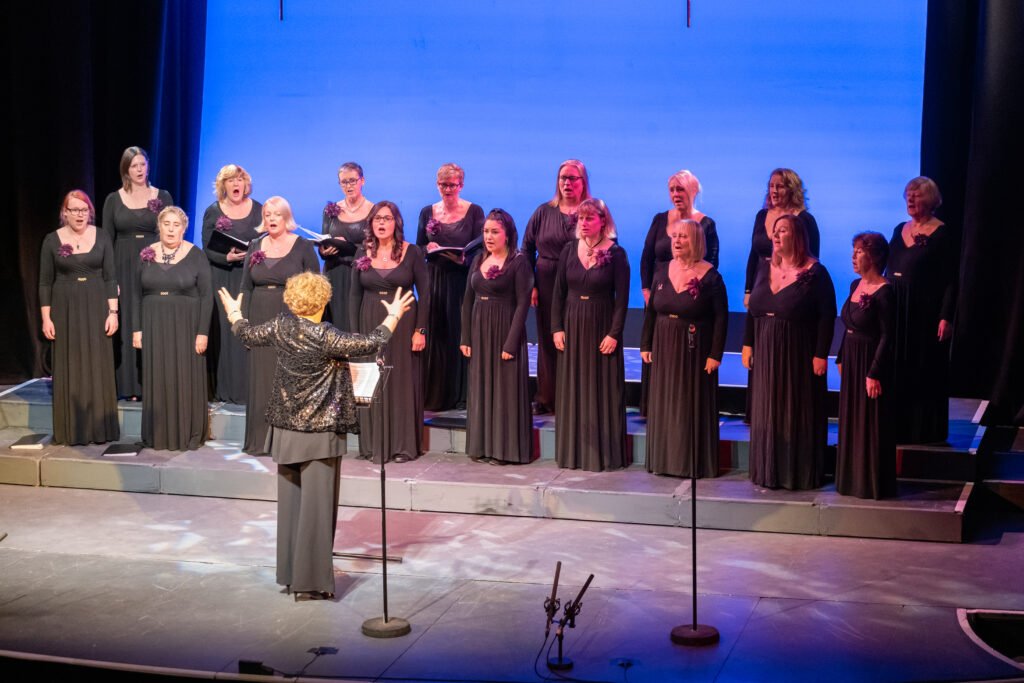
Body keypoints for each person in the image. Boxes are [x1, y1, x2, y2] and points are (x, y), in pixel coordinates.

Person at [219, 272, 415, 600]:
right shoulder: (325, 335)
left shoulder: (281, 326)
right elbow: (371, 342)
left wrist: (234, 313)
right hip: (319, 433)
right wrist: (394, 314)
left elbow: (248, 335)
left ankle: (291, 575)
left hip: (285, 430)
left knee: (292, 506)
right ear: (323, 301)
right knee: (317, 510)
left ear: (292, 299)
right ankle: (310, 583)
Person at [742, 214, 835, 490]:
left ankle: (797, 472)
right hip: (766, 350)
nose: (776, 236)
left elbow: (827, 316)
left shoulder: (815, 273)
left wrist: (820, 353)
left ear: (797, 237)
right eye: (774, 231)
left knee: (795, 409)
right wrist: (748, 344)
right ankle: (768, 469)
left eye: (782, 231)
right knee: (768, 409)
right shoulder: (764, 269)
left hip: (798, 352)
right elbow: (753, 311)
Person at [641, 219, 727, 477]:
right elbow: (652, 312)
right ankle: (664, 460)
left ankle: (691, 461)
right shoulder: (662, 271)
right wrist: (645, 343)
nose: (677, 242)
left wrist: (715, 354)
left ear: (697, 241)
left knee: (690, 402)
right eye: (674, 236)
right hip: (664, 343)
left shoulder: (710, 276)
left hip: (695, 347)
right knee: (665, 400)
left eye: (683, 237)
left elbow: (721, 317)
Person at [551, 198, 630, 471]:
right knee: (573, 386)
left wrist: (614, 333)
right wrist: (556, 327)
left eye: (589, 219)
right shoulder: (569, 249)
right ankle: (574, 452)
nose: (583, 224)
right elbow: (558, 292)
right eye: (581, 219)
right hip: (572, 324)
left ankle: (603, 455)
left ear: (603, 222)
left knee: (601, 388)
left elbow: (621, 301)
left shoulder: (616, 254)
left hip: (601, 324)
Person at [349, 201, 429, 463]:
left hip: (404, 322)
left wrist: (420, 330)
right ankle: (373, 445)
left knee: (402, 383)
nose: (382, 223)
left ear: (397, 223)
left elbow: (425, 294)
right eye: (377, 219)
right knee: (371, 382)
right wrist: (354, 336)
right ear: (371, 223)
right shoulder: (362, 252)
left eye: (387, 218)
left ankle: (402, 446)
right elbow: (353, 295)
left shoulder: (412, 252)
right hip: (369, 319)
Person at [239, 197, 320, 455]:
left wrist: (309, 327)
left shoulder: (303, 246)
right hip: (260, 316)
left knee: (288, 379)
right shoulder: (255, 246)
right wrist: (244, 324)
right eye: (267, 214)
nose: (272, 218)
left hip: (291, 319)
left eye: (277, 214)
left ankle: (289, 442)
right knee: (262, 378)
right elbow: (245, 287)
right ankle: (260, 440)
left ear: (286, 218)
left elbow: (316, 289)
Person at [39, 190, 120, 445]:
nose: (79, 215)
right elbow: (44, 283)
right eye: (74, 210)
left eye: (84, 210)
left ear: (90, 211)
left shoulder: (102, 235)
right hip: (65, 308)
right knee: (70, 364)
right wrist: (46, 318)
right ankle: (71, 430)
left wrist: (113, 312)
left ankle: (100, 430)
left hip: (97, 305)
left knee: (98, 364)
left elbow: (111, 278)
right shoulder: (52, 240)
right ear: (65, 213)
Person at [639, 169, 719, 415]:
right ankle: (654, 407)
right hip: (660, 292)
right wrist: (646, 288)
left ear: (693, 191)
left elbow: (713, 261)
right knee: (654, 348)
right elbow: (647, 256)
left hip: (689, 296)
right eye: (672, 190)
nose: (675, 194)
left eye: (680, 189)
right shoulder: (660, 219)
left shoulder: (705, 223)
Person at [132, 206, 212, 451]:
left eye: (176, 224)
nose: (170, 229)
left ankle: (187, 432)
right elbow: (136, 295)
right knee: (158, 375)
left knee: (184, 376)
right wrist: (137, 329)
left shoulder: (196, 254)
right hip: (154, 324)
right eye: (166, 223)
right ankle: (158, 434)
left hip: (186, 325)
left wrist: (202, 332)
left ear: (184, 228)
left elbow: (207, 296)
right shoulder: (146, 254)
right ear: (159, 226)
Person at [460, 209, 534, 465]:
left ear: (507, 234)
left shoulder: (518, 262)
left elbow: (523, 303)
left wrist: (511, 342)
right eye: (486, 232)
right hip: (480, 331)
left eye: (494, 232)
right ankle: (483, 446)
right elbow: (467, 300)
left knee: (504, 391)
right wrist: (465, 337)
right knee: (482, 387)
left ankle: (506, 450)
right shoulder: (478, 259)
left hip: (504, 330)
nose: (489, 237)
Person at [886, 177, 956, 444]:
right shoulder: (898, 229)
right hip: (897, 305)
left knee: (923, 367)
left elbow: (950, 279)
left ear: (931, 200)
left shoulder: (942, 233)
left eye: (916, 195)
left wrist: (946, 316)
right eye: (908, 195)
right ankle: (898, 425)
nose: (911, 200)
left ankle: (924, 430)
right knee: (898, 366)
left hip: (925, 310)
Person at [102, 146, 173, 399]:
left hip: (153, 263)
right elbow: (106, 242)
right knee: (128, 319)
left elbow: (171, 233)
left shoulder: (161, 195)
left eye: (143, 164)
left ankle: (152, 383)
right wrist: (110, 279)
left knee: (151, 317)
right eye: (134, 166)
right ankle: (128, 386)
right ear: (126, 170)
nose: (140, 169)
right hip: (122, 265)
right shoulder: (113, 199)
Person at [523, 159, 592, 415]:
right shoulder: (544, 211)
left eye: (573, 178)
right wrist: (531, 284)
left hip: (578, 284)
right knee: (548, 338)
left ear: (583, 182)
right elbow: (527, 247)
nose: (567, 183)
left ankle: (574, 396)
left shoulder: (591, 213)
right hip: (547, 281)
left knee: (576, 339)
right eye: (563, 177)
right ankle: (546, 396)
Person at [417, 162, 485, 411]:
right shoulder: (427, 212)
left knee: (461, 332)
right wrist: (429, 248)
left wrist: (464, 256)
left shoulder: (475, 211)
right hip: (436, 279)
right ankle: (439, 394)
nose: (447, 189)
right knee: (439, 334)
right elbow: (419, 247)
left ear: (461, 185)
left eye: (452, 185)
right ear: (437, 185)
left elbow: (482, 245)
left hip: (462, 279)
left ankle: (464, 395)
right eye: (443, 185)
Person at [836, 232, 896, 499]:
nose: (853, 256)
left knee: (870, 421)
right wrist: (839, 356)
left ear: (874, 256)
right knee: (851, 418)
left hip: (870, 360)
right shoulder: (854, 285)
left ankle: (870, 483)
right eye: (854, 250)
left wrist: (874, 372)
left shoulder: (885, 292)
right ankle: (850, 480)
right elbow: (848, 323)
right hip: (851, 358)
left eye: (859, 251)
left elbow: (888, 336)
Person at [201, 164, 262, 404]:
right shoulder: (213, 211)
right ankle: (225, 389)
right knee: (226, 332)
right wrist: (225, 257)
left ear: (246, 184)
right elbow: (206, 248)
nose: (236, 184)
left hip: (250, 277)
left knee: (248, 328)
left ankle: (248, 389)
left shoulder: (259, 210)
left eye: (240, 179)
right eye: (230, 180)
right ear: (222, 185)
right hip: (223, 276)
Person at [743, 168, 820, 308]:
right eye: (771, 186)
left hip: (790, 288)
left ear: (792, 190)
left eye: (780, 186)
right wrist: (748, 290)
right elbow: (753, 254)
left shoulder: (805, 219)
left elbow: (813, 260)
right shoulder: (761, 215)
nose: (774, 191)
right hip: (760, 284)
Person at [320, 162, 373, 330]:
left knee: (356, 323)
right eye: (344, 182)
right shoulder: (331, 210)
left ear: (362, 181)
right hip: (334, 271)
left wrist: (348, 246)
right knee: (335, 323)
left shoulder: (373, 210)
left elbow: (374, 247)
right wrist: (324, 251)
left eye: (353, 181)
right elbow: (324, 240)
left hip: (359, 273)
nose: (349, 186)